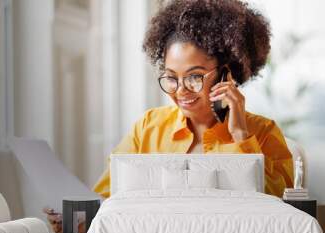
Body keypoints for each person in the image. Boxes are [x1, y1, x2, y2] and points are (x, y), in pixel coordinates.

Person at [93, 0, 294, 199]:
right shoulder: (148, 127)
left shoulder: (264, 133)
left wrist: (240, 135)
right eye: (171, 77)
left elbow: (280, 207)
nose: (181, 90)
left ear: (226, 75)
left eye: (194, 77)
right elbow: (104, 197)